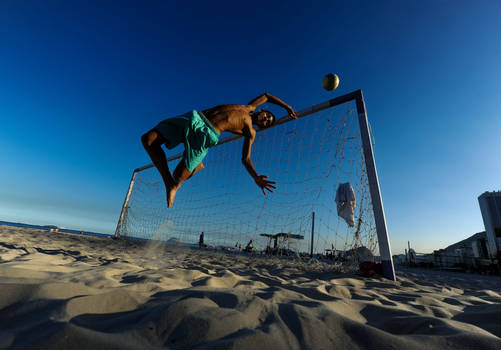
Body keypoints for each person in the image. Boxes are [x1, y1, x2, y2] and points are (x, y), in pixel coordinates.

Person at [142, 93, 297, 207]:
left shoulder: (250, 131)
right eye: (267, 116)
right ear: (263, 110)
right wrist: (287, 107)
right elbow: (267, 95)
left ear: (262, 127)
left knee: (178, 175)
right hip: (194, 118)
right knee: (148, 140)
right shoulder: (249, 107)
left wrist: (256, 177)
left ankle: (194, 167)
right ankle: (169, 183)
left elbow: (246, 159)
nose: (266, 120)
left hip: (207, 134)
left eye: (267, 123)